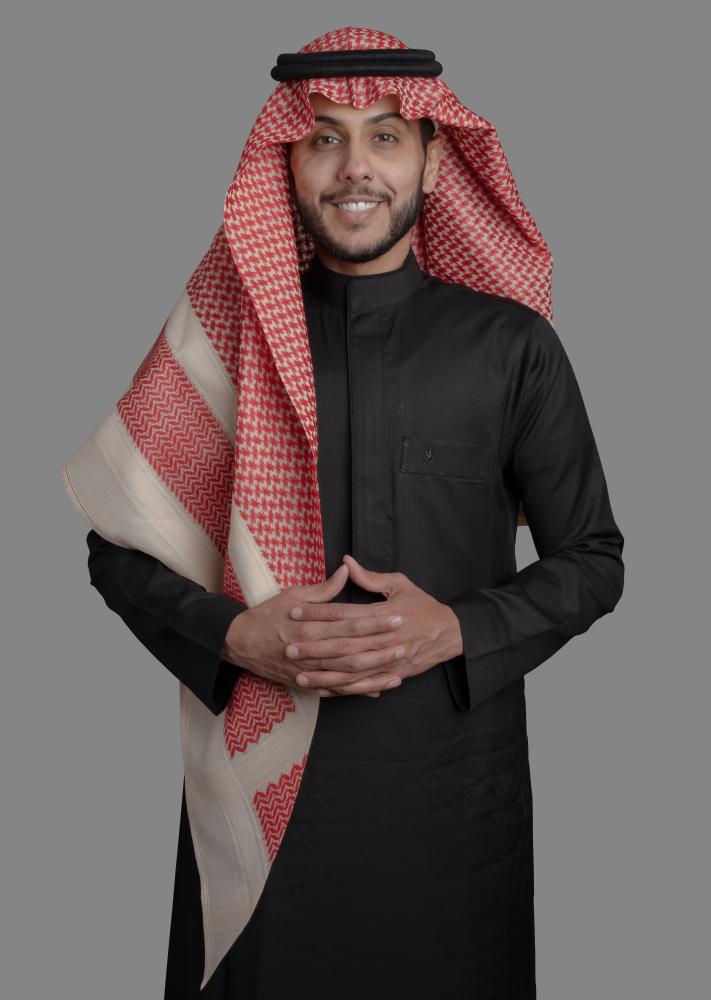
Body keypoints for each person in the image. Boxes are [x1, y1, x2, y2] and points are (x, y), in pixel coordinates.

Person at [62, 26, 625, 999]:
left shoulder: (511, 348)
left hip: (455, 810)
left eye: (385, 136)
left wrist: (458, 627)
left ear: (434, 161)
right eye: (323, 137)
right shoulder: (224, 346)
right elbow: (118, 552)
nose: (355, 166)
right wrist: (234, 636)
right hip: (258, 813)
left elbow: (594, 560)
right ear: (285, 161)